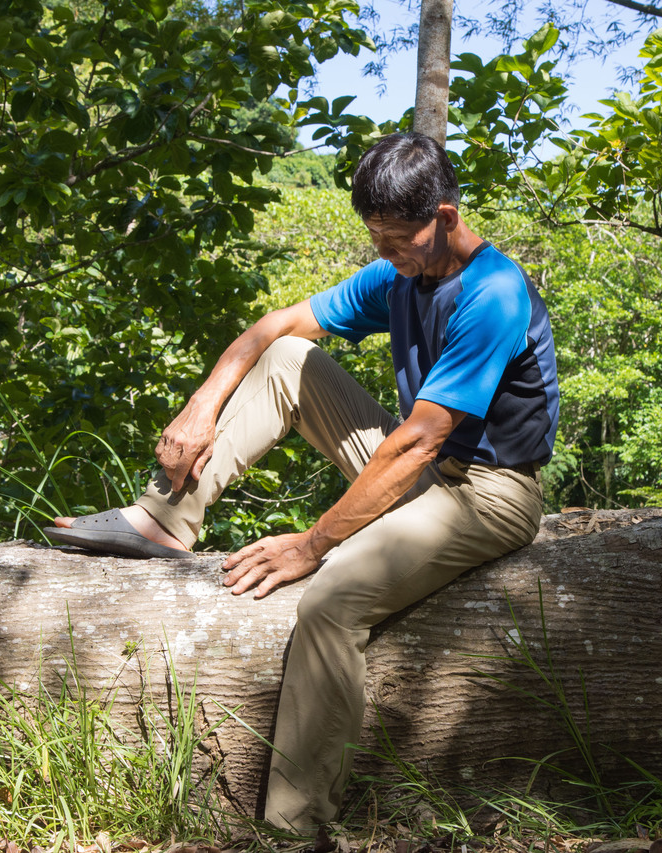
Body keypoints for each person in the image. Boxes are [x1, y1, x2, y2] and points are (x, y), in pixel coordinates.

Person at [46, 131, 559, 833]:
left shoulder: (494, 292)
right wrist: (201, 406)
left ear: (444, 216)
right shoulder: (404, 276)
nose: (386, 254)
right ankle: (166, 519)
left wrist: (311, 544)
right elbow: (274, 328)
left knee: (330, 602)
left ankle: (296, 829)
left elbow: (419, 440)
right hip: (423, 468)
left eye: (396, 239)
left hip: (488, 492)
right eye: (375, 238)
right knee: (291, 357)